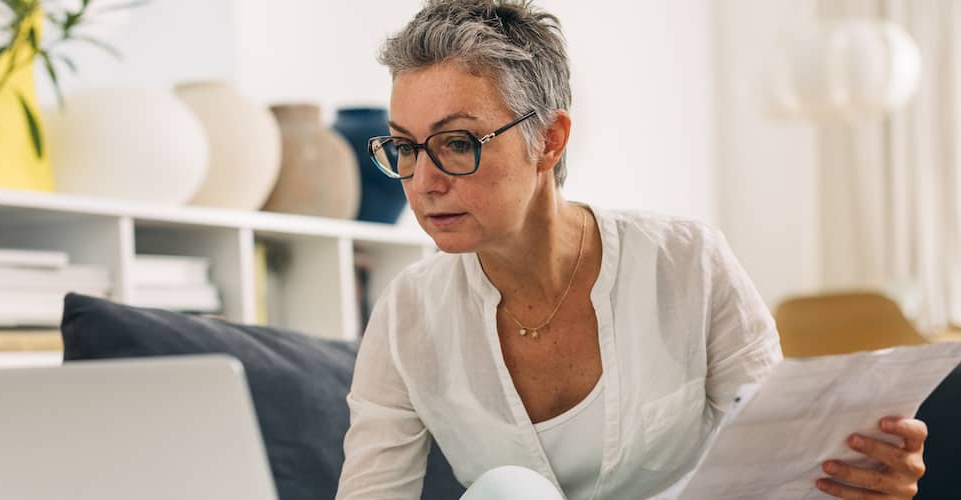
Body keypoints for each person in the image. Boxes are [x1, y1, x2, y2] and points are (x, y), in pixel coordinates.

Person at [336, 1, 929, 499]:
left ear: (549, 140)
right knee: (507, 489)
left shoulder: (686, 262)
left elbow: (782, 470)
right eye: (405, 147)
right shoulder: (406, 316)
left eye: (457, 142)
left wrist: (865, 483)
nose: (424, 181)